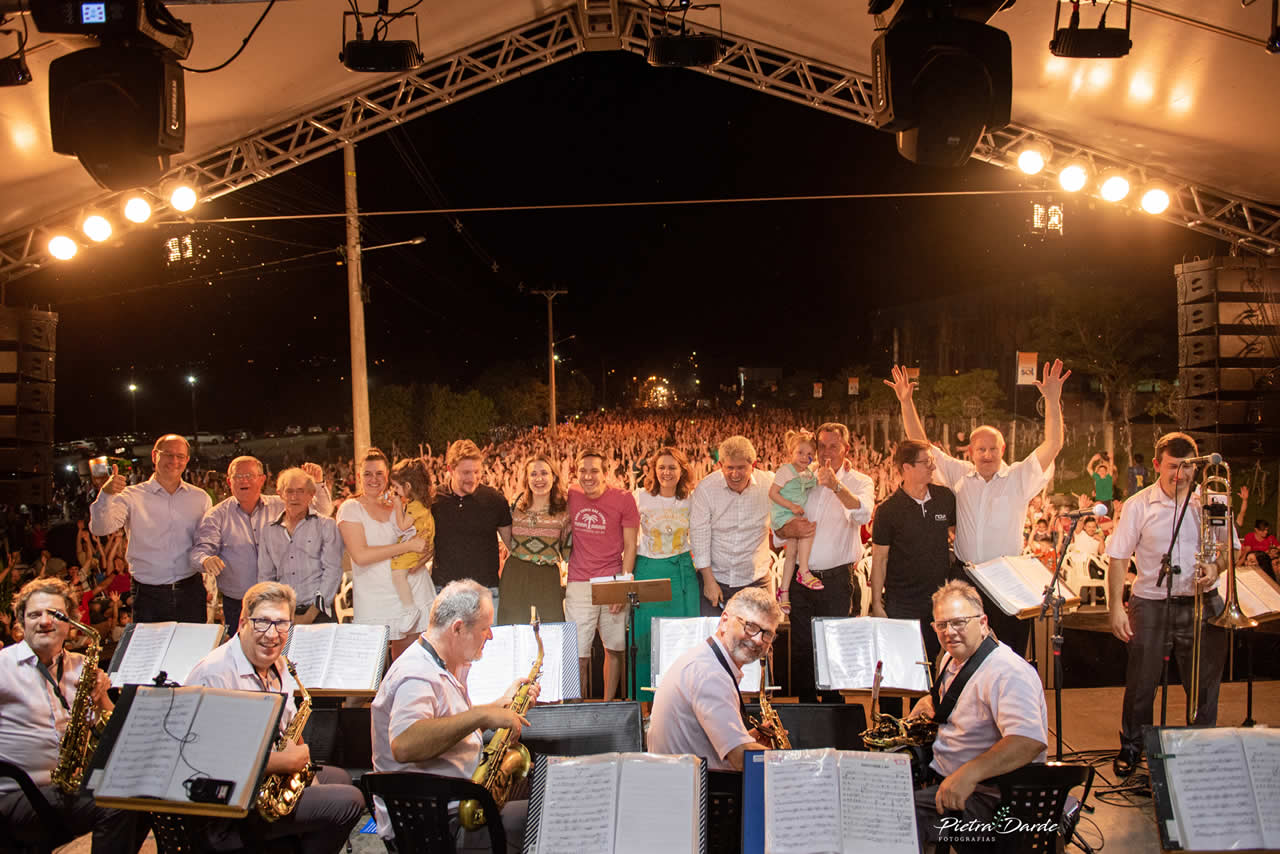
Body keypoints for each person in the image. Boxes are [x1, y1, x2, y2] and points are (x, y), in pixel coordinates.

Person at [886, 360, 1069, 659]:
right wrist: (906, 402)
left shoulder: (1019, 478)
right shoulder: (959, 475)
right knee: (963, 655)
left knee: (1007, 654)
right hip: (965, 578)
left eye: (993, 449)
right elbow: (921, 444)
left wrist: (1051, 399)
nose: (987, 455)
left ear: (1003, 450)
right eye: (981, 449)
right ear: (970, 452)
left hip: (1006, 577)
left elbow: (1053, 443)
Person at [185, 582, 364, 854]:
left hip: (265, 779)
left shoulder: (278, 665)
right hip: (230, 803)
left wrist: (303, 771)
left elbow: (289, 727)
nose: (272, 635)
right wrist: (286, 762)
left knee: (338, 778)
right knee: (349, 801)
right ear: (242, 622)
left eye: (282, 624)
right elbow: (208, 762)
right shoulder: (215, 674)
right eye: (262, 623)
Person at [369, 580, 537, 853]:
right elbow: (404, 743)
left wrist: (499, 706)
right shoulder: (416, 674)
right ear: (458, 628)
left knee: (541, 785)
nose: (490, 636)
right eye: (485, 628)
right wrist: (482, 716)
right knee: (543, 815)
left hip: (455, 801)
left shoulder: (439, 663)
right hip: (437, 826)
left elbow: (447, 726)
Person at [1106, 432, 1234, 778]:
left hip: (1202, 601)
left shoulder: (1210, 501)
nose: (1180, 476)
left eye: (1187, 468)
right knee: (1141, 683)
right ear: (1156, 465)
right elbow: (1117, 558)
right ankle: (1132, 747)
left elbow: (1230, 549)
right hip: (1151, 601)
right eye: (1172, 468)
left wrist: (1216, 567)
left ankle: (1203, 750)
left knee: (1204, 684)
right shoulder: (1137, 505)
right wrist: (1116, 607)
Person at [0, 578, 145, 854]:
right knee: (114, 805)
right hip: (15, 794)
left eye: (55, 615)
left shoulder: (81, 665)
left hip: (67, 789)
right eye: (34, 615)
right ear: (21, 624)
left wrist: (102, 698)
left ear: (71, 624)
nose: (44, 622)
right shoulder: (3, 667)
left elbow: (113, 733)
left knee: (147, 798)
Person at [907, 580, 1048, 851]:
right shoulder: (951, 659)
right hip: (953, 782)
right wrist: (931, 702)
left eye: (959, 622)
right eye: (941, 625)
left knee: (894, 817)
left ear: (983, 623)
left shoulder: (1007, 672)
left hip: (990, 800)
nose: (950, 632)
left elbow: (1028, 740)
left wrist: (969, 774)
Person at [773, 422, 875, 703]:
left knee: (833, 648)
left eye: (833, 446)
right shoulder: (801, 478)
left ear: (846, 448)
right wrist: (787, 530)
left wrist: (836, 486)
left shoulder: (860, 481)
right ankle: (806, 708)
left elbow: (863, 515)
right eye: (822, 446)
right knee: (803, 647)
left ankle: (832, 709)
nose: (826, 452)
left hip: (835, 580)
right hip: (799, 578)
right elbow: (778, 525)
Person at [647, 587, 784, 771]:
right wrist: (793, 760)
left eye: (767, 634)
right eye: (750, 627)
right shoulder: (710, 674)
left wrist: (744, 737)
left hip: (683, 783)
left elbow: (700, 744)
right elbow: (741, 758)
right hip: (694, 794)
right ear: (725, 620)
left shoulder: (705, 660)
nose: (759, 640)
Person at [192, 456, 333, 631]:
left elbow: (322, 511)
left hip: (283, 602)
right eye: (238, 476)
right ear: (229, 481)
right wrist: (206, 560)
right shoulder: (216, 516)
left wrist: (318, 483)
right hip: (240, 604)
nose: (244, 480)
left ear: (262, 479)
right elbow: (199, 551)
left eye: (249, 476)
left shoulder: (280, 504)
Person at [89, 434, 212, 623]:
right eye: (168, 454)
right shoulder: (131, 496)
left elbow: (207, 541)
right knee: (151, 651)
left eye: (180, 456)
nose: (174, 461)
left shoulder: (200, 498)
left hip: (191, 590)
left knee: (193, 650)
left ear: (187, 460)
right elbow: (99, 528)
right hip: (148, 594)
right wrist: (106, 494)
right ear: (154, 456)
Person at [336, 448, 431, 661]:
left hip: (412, 592)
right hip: (375, 597)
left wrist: (423, 554)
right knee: (369, 672)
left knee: (410, 666)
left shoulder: (397, 505)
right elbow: (360, 556)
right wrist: (406, 548)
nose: (374, 479)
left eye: (379, 473)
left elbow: (422, 541)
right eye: (368, 473)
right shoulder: (350, 508)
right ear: (358, 476)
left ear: (388, 476)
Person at [870, 439, 957, 664]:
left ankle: (927, 701)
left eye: (932, 461)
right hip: (901, 602)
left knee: (928, 663)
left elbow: (958, 535)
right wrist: (877, 604)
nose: (933, 467)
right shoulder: (888, 510)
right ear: (906, 468)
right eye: (926, 462)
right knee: (897, 665)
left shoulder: (945, 498)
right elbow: (879, 559)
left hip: (936, 601)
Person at [564, 448, 639, 700]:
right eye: (582, 471)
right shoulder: (570, 495)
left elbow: (631, 546)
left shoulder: (623, 498)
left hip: (611, 579)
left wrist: (622, 585)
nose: (588, 476)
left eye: (594, 470)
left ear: (606, 473)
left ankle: (607, 705)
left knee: (615, 649)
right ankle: (579, 707)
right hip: (578, 581)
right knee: (579, 653)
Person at [632, 446, 700, 698]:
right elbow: (628, 539)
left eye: (672, 467)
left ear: (682, 470)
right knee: (648, 641)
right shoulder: (640, 497)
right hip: (649, 569)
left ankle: (682, 703)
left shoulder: (692, 500)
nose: (666, 472)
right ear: (653, 470)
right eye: (661, 467)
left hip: (681, 572)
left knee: (683, 639)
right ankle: (648, 705)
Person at [690, 436, 774, 618]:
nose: (735, 474)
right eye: (729, 468)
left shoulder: (770, 485)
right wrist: (708, 580)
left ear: (754, 464)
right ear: (720, 465)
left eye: (741, 468)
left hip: (756, 580)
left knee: (760, 641)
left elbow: (798, 484)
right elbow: (699, 536)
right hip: (715, 579)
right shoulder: (706, 489)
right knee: (713, 640)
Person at [431, 440, 514, 608]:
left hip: (485, 593)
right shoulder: (434, 500)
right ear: (450, 470)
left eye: (477, 472)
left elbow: (513, 544)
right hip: (445, 593)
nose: (473, 478)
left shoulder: (495, 501)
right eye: (466, 472)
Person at [257, 468, 344, 623]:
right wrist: (280, 613)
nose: (294, 497)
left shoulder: (326, 526)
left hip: (320, 613)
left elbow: (332, 571)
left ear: (311, 495)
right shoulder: (269, 531)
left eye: (300, 491)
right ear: (280, 494)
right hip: (283, 614)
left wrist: (310, 615)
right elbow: (266, 577)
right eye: (289, 491)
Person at [497, 453, 569, 626]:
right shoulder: (517, 504)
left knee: (552, 628)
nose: (539, 479)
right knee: (512, 628)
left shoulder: (564, 510)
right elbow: (508, 539)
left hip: (547, 574)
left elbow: (568, 551)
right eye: (533, 474)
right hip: (516, 572)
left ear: (554, 476)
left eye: (544, 473)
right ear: (527, 479)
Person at [769, 429, 822, 593]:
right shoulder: (786, 471)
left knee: (791, 554)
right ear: (791, 452)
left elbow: (816, 474)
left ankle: (783, 592)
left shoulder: (806, 474)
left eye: (809, 454)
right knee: (807, 530)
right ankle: (804, 571)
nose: (804, 457)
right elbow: (772, 493)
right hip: (784, 514)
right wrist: (792, 506)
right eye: (800, 452)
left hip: (793, 515)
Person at [388, 457, 437, 619]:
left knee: (397, 574)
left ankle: (410, 609)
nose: (395, 491)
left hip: (416, 550)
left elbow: (403, 525)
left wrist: (397, 504)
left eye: (396, 487)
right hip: (420, 547)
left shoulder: (415, 506)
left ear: (407, 486)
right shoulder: (422, 503)